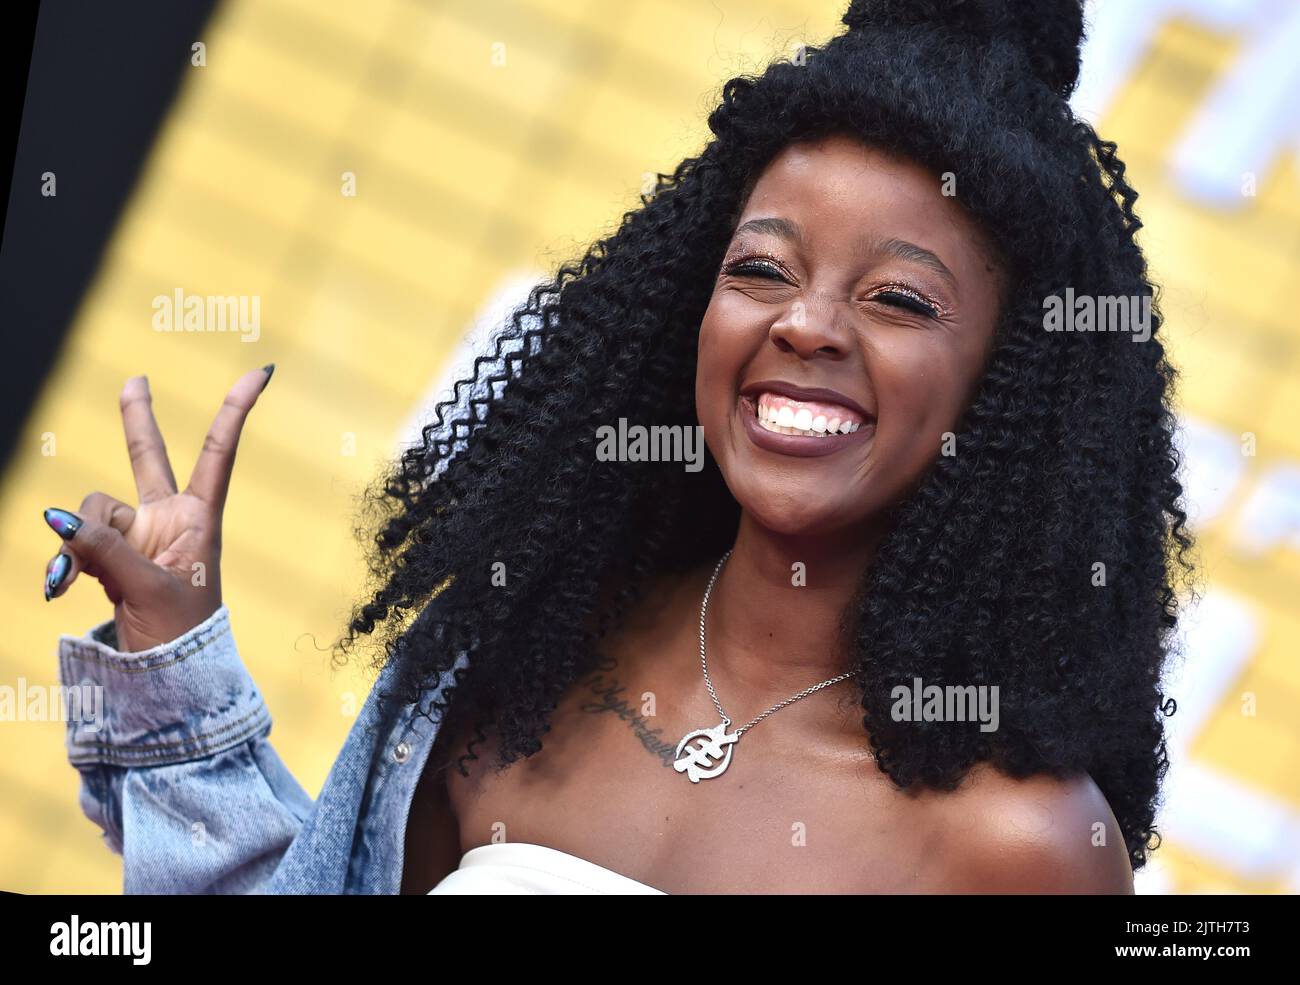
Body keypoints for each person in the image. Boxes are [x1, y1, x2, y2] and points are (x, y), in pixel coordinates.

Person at [43, 0, 1191, 894]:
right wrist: (173, 658)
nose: (804, 323)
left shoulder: (1021, 846)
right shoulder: (513, 679)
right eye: (760, 270)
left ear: (1007, 392)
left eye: (897, 298)